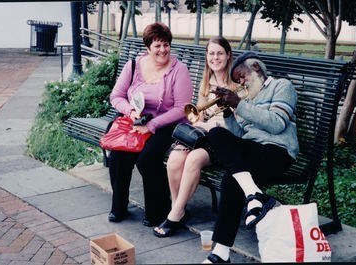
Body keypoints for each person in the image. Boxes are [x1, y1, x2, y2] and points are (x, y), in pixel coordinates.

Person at [202, 51, 299, 263]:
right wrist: (228, 113)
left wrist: (238, 104)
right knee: (216, 133)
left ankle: (220, 252)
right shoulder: (249, 98)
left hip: (277, 151)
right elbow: (241, 136)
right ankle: (254, 194)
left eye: (242, 76)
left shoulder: (282, 86)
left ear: (255, 68)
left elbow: (276, 124)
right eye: (237, 80)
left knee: (232, 177)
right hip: (251, 150)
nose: (241, 82)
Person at [108, 22, 193, 227]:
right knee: (119, 153)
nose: (163, 50)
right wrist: (130, 111)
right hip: (136, 120)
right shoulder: (134, 65)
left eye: (166, 45)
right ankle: (119, 205)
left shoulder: (178, 70)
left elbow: (182, 108)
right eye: (157, 46)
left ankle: (158, 211)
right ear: (148, 48)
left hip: (167, 123)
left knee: (148, 159)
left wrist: (152, 125)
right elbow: (116, 96)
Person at [153, 36, 240, 237]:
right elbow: (199, 115)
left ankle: (173, 215)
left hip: (223, 139)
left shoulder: (236, 83)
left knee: (192, 159)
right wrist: (199, 120)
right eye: (211, 53)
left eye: (220, 53)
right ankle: (179, 209)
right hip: (202, 135)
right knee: (175, 159)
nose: (215, 57)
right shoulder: (206, 82)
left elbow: (237, 123)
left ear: (228, 56)